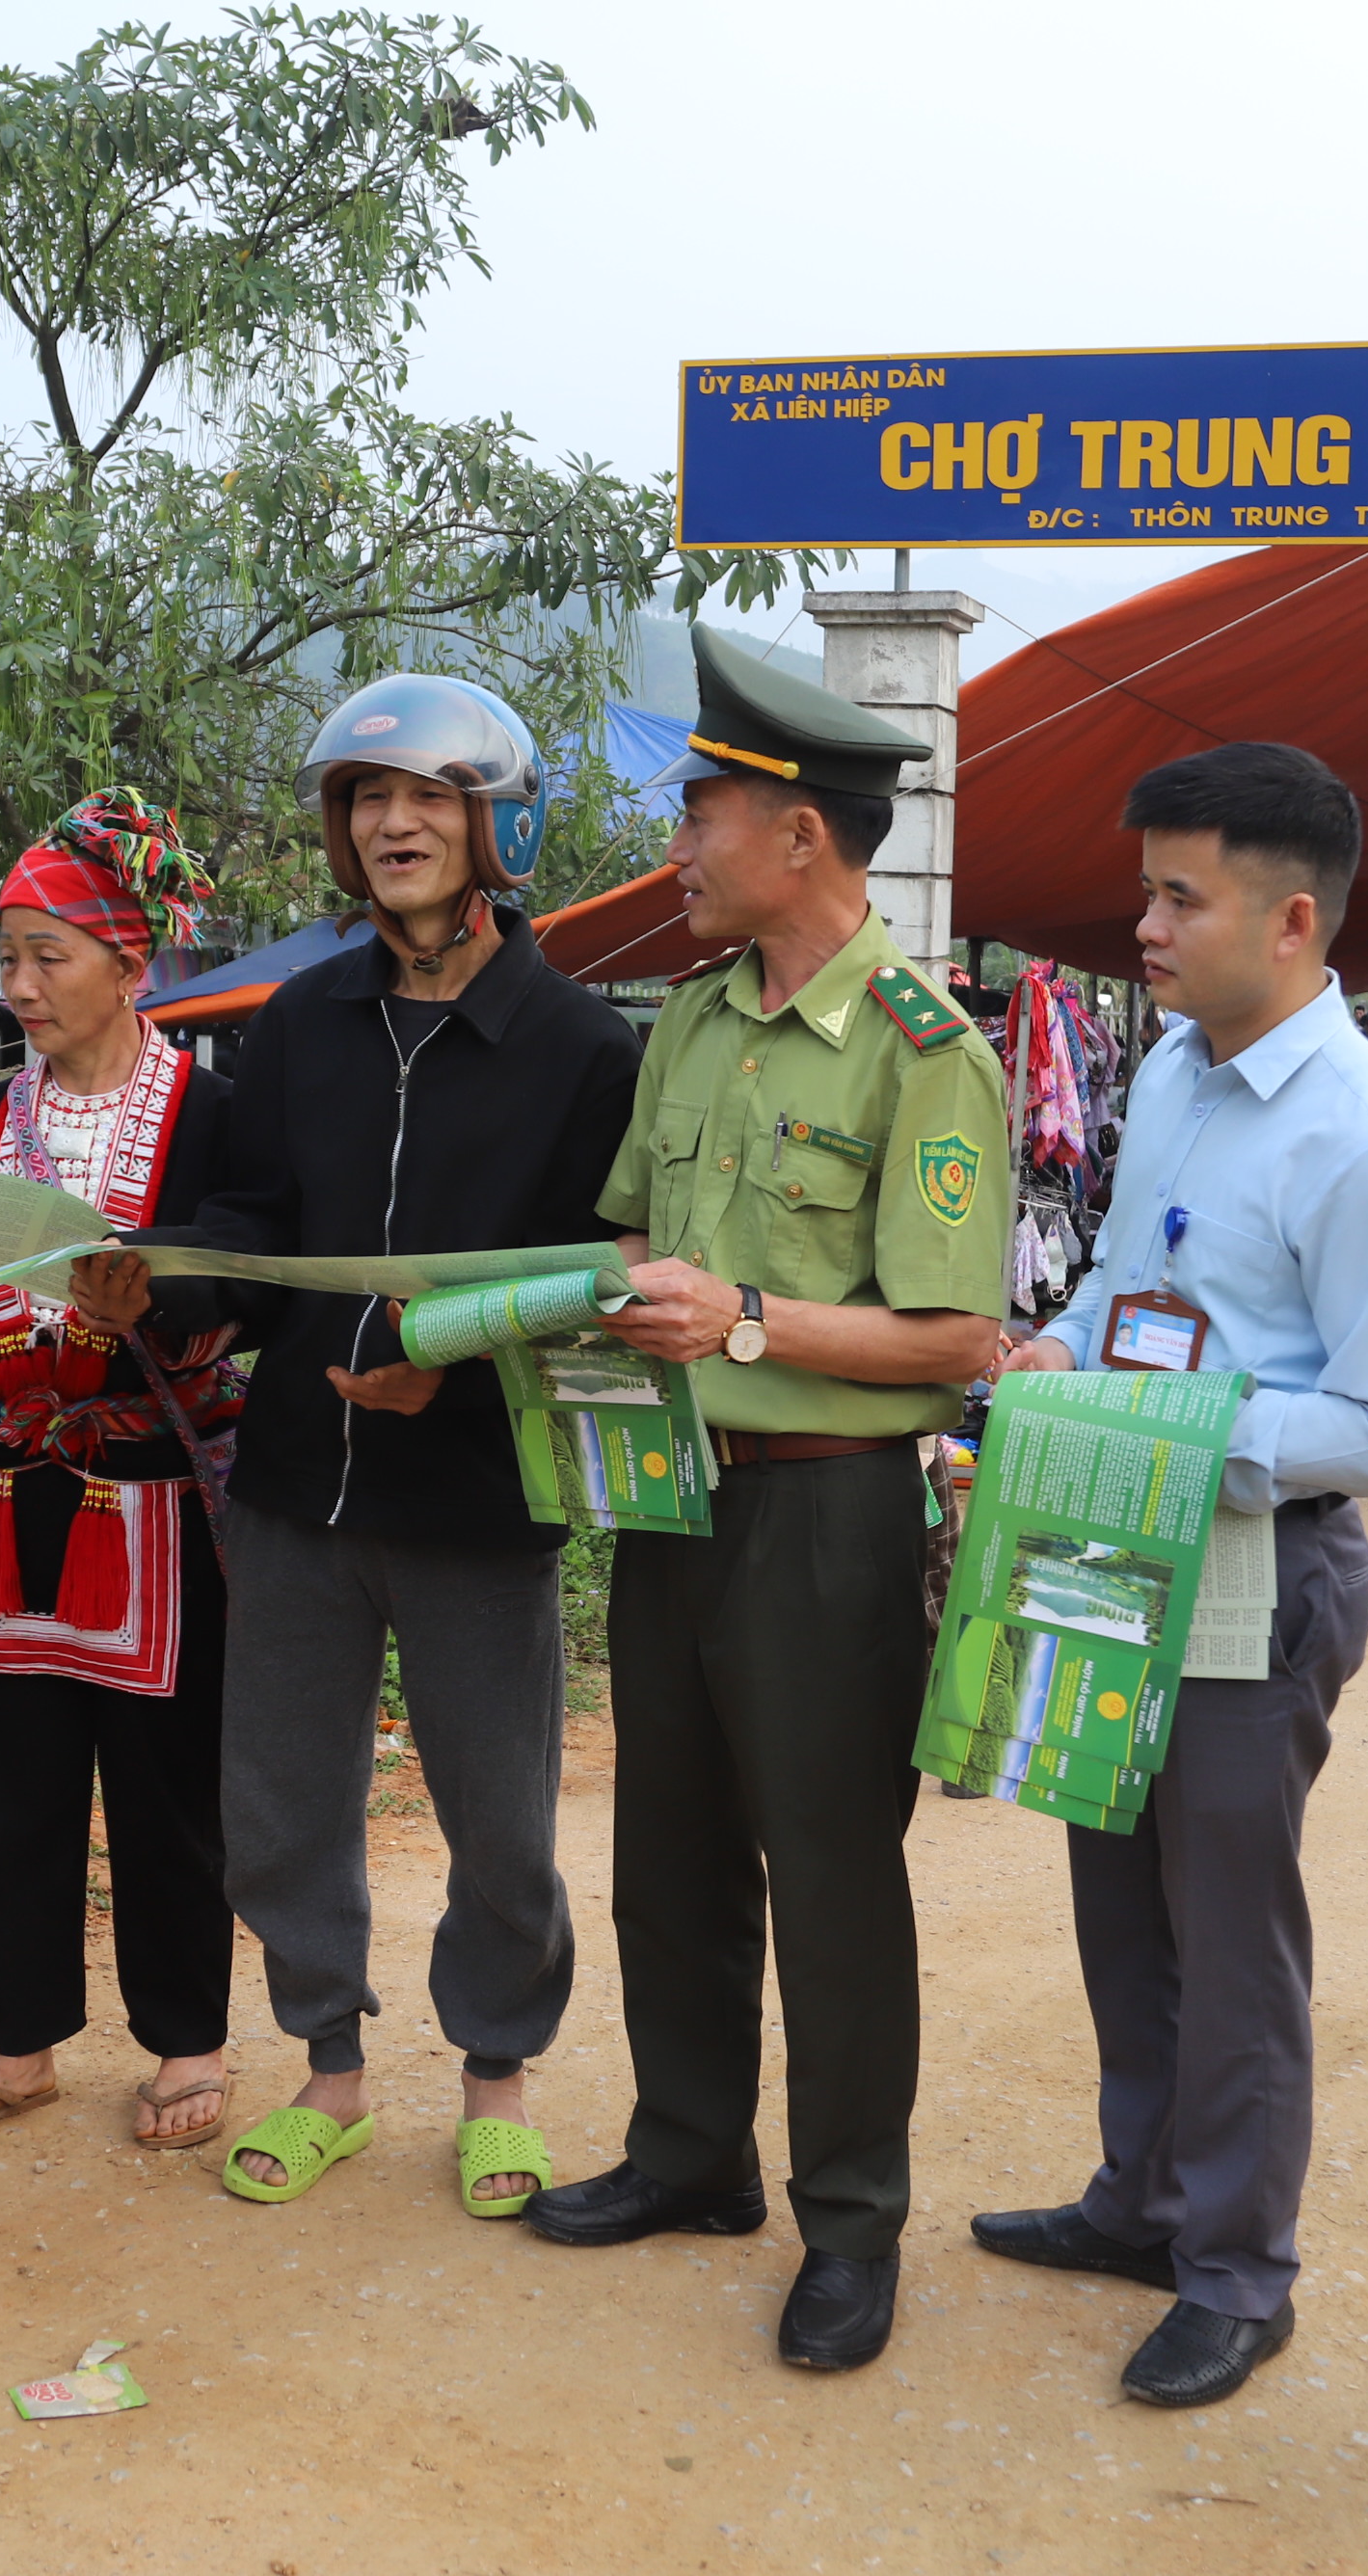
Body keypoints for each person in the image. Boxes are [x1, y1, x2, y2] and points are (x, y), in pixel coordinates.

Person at [516, 627, 1011, 2375]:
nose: (679, 840)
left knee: (831, 1875)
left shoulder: (923, 1048)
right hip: (672, 1493)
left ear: (801, 830)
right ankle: (689, 2151)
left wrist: (747, 1315)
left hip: (826, 1513)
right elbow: (629, 1228)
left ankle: (853, 2222)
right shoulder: (696, 1025)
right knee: (670, 1853)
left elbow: (958, 1328)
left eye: (702, 807)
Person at [970, 742, 1368, 2409]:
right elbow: (1122, 1274)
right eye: (1150, 890)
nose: (1147, 926)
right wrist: (1063, 1352)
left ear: (1295, 918)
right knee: (1122, 1894)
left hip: (1257, 1565)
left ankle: (1241, 2272)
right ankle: (1142, 2199)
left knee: (1232, 1936)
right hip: (1121, 1532)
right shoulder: (1175, 1069)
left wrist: (1182, 1427)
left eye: (1181, 896)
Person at [190, 675, 642, 2217]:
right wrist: (169, 1289)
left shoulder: (580, 1045)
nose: (392, 823)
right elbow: (255, 1233)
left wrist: (449, 1375)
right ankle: (328, 2070)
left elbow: (595, 1275)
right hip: (295, 1497)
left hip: (474, 1499)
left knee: (500, 1816)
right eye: (366, 799)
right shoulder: (303, 1019)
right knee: (281, 1804)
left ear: (494, 825)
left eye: (427, 797)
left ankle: (498, 2081)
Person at [0, 793, 242, 2156]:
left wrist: (165, 1299)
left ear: (131, 964)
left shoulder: (214, 1119)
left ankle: (188, 2040)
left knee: (165, 1794)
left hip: (159, 1510)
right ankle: (23, 2041)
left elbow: (255, 1283)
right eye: (7, 956)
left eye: (49, 957)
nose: (16, 986)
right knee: (17, 1790)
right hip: (1, 1498)